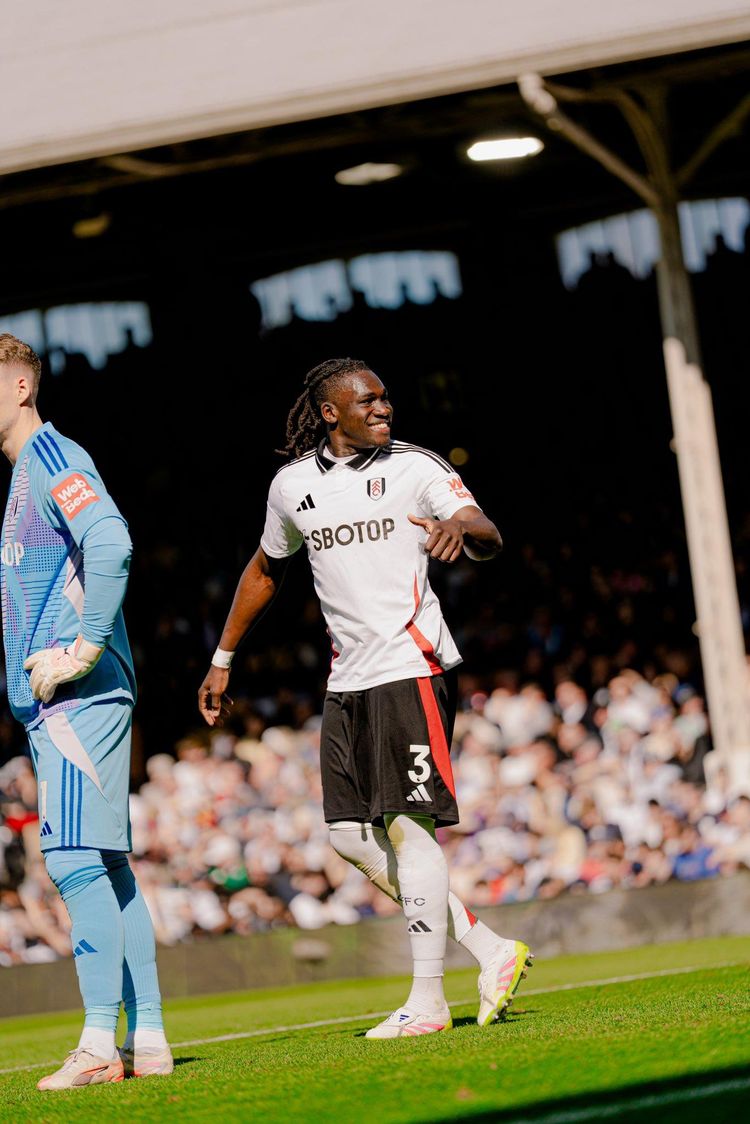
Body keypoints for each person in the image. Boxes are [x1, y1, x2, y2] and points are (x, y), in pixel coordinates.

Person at [199, 357, 532, 1038]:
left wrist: (461, 533)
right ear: (330, 412)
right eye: (368, 401)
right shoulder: (293, 487)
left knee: (409, 829)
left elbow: (487, 531)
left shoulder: (416, 466)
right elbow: (266, 568)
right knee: (348, 837)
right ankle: (489, 949)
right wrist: (222, 657)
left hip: (412, 666)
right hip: (347, 679)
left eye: (385, 398)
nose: (384, 408)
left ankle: (429, 1002)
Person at [0, 334, 172, 1089]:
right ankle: (150, 1039)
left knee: (71, 862)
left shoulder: (49, 459)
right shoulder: (25, 474)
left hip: (77, 698)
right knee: (106, 866)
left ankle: (100, 1044)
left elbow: (111, 540)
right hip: (68, 701)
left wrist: (82, 648)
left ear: (19, 387)